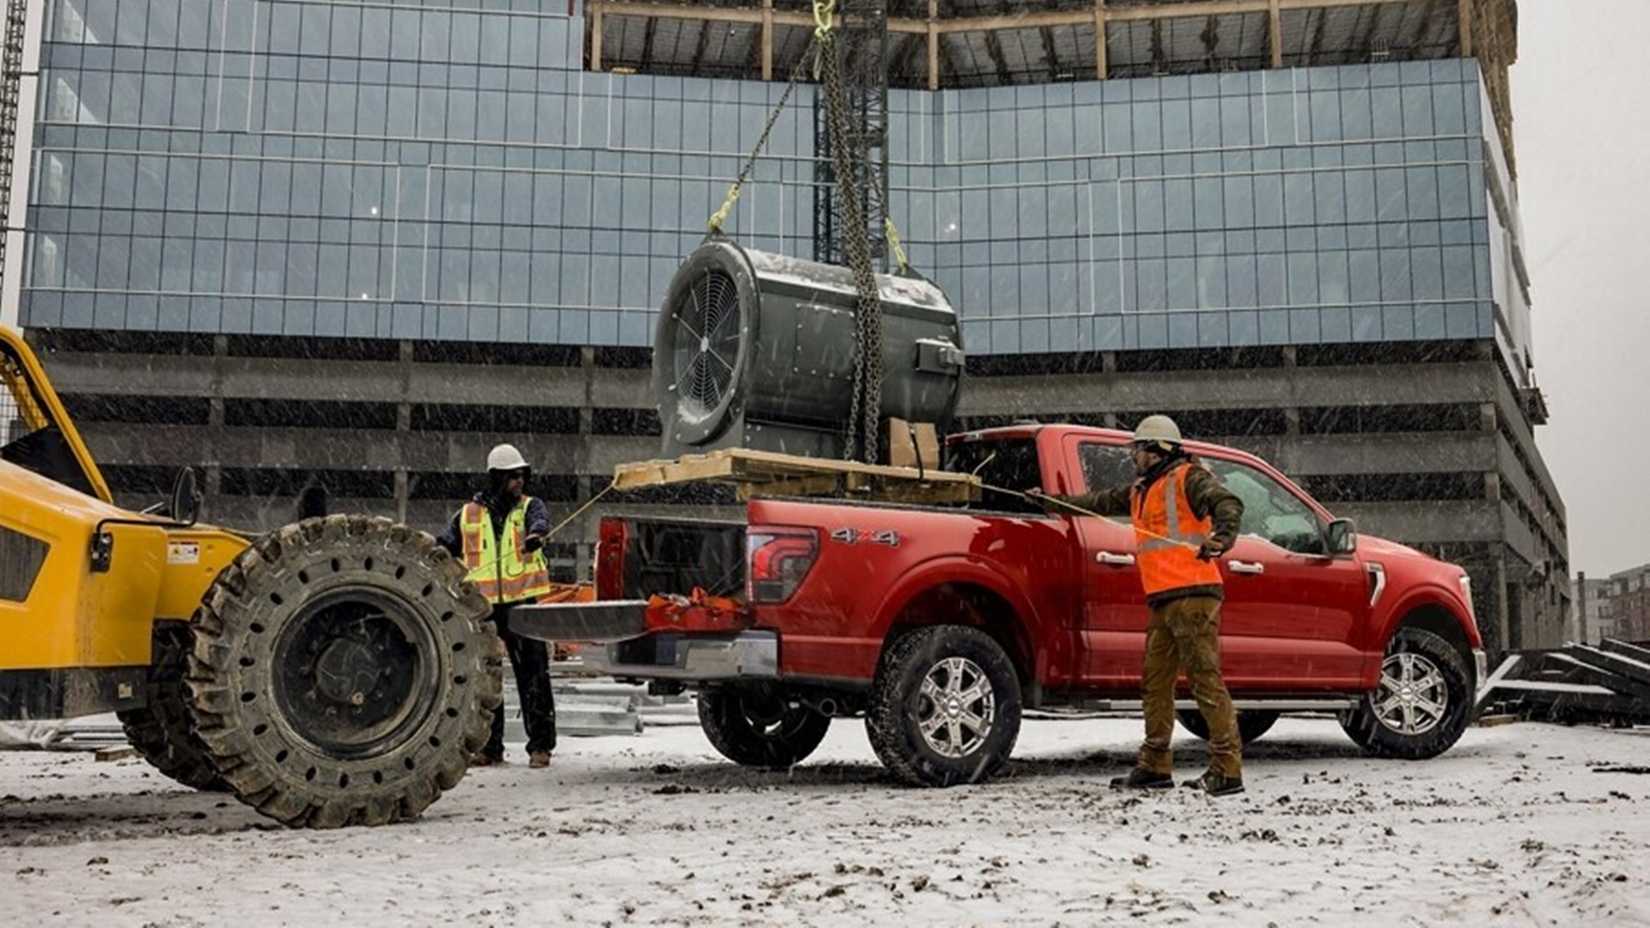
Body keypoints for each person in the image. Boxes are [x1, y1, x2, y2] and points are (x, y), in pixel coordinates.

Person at [1031, 415, 1248, 796]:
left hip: (1194, 594)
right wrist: (1049, 501)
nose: (1133, 456)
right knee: (1156, 683)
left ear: (1157, 450)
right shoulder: (1141, 489)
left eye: (1138, 450)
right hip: (1163, 597)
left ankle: (1227, 770)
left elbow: (1228, 503)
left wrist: (1221, 539)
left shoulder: (1189, 478)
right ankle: (1155, 766)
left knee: (1204, 681)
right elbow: (1096, 502)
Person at [437, 443, 558, 769]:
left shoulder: (530, 506)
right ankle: (490, 747)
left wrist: (536, 536)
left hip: (523, 604)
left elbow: (540, 522)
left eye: (522, 475)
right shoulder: (467, 515)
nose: (520, 481)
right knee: (486, 679)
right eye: (513, 476)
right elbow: (443, 548)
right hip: (483, 608)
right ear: (496, 478)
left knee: (534, 675)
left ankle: (540, 746)